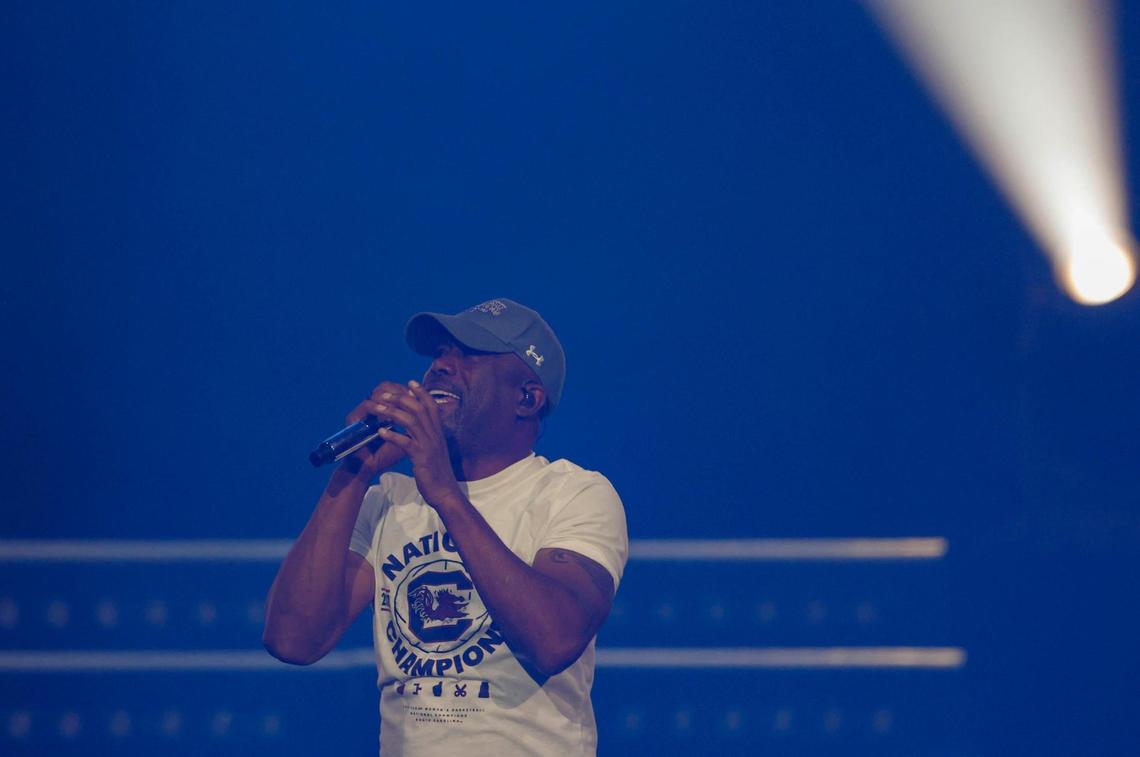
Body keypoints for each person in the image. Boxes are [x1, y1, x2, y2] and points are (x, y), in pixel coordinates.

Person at [263, 298, 629, 756]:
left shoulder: (571, 494)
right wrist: (355, 471)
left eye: (469, 355)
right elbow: (293, 640)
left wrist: (443, 491)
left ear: (527, 398)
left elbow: (554, 640)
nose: (441, 366)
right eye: (439, 354)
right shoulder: (388, 500)